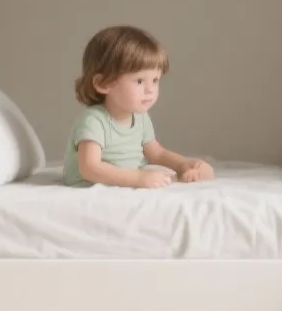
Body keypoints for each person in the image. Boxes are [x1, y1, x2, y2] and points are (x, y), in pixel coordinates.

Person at [64, 25, 213, 189]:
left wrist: (183, 164)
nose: (150, 90)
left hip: (123, 182)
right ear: (103, 83)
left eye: (155, 80)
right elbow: (89, 168)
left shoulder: (140, 117)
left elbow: (156, 153)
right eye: (139, 81)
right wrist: (137, 177)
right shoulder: (94, 120)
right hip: (88, 186)